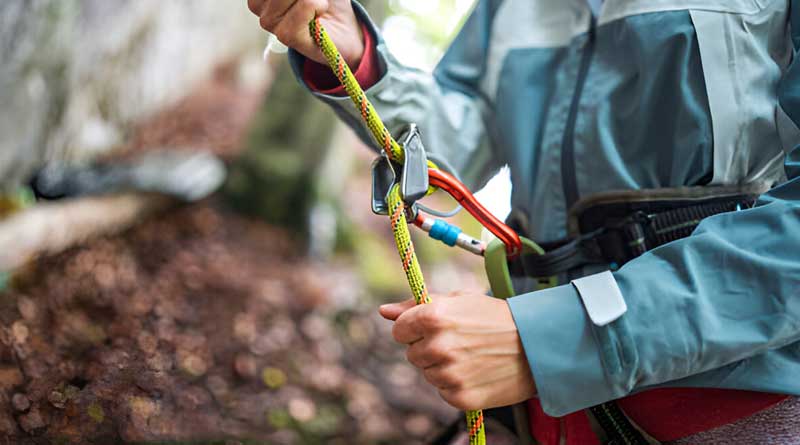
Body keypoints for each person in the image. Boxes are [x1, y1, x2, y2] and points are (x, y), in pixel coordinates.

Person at [246, 0, 800, 443]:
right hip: (540, 402)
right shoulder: (507, 8)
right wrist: (360, 60)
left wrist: (557, 341)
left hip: (727, 399)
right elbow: (456, 144)